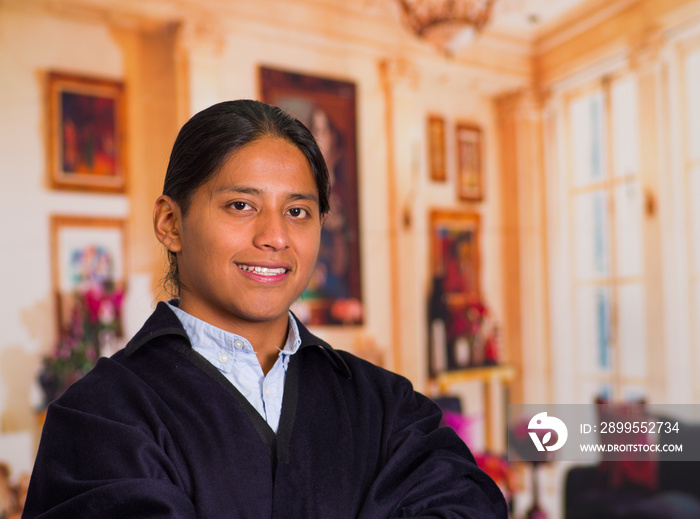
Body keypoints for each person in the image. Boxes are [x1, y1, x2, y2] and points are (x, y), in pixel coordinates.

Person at [23, 100, 508, 518]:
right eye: (241, 205)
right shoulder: (98, 419)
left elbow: (469, 503)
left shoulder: (385, 406)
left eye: (297, 211)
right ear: (170, 223)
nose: (275, 237)